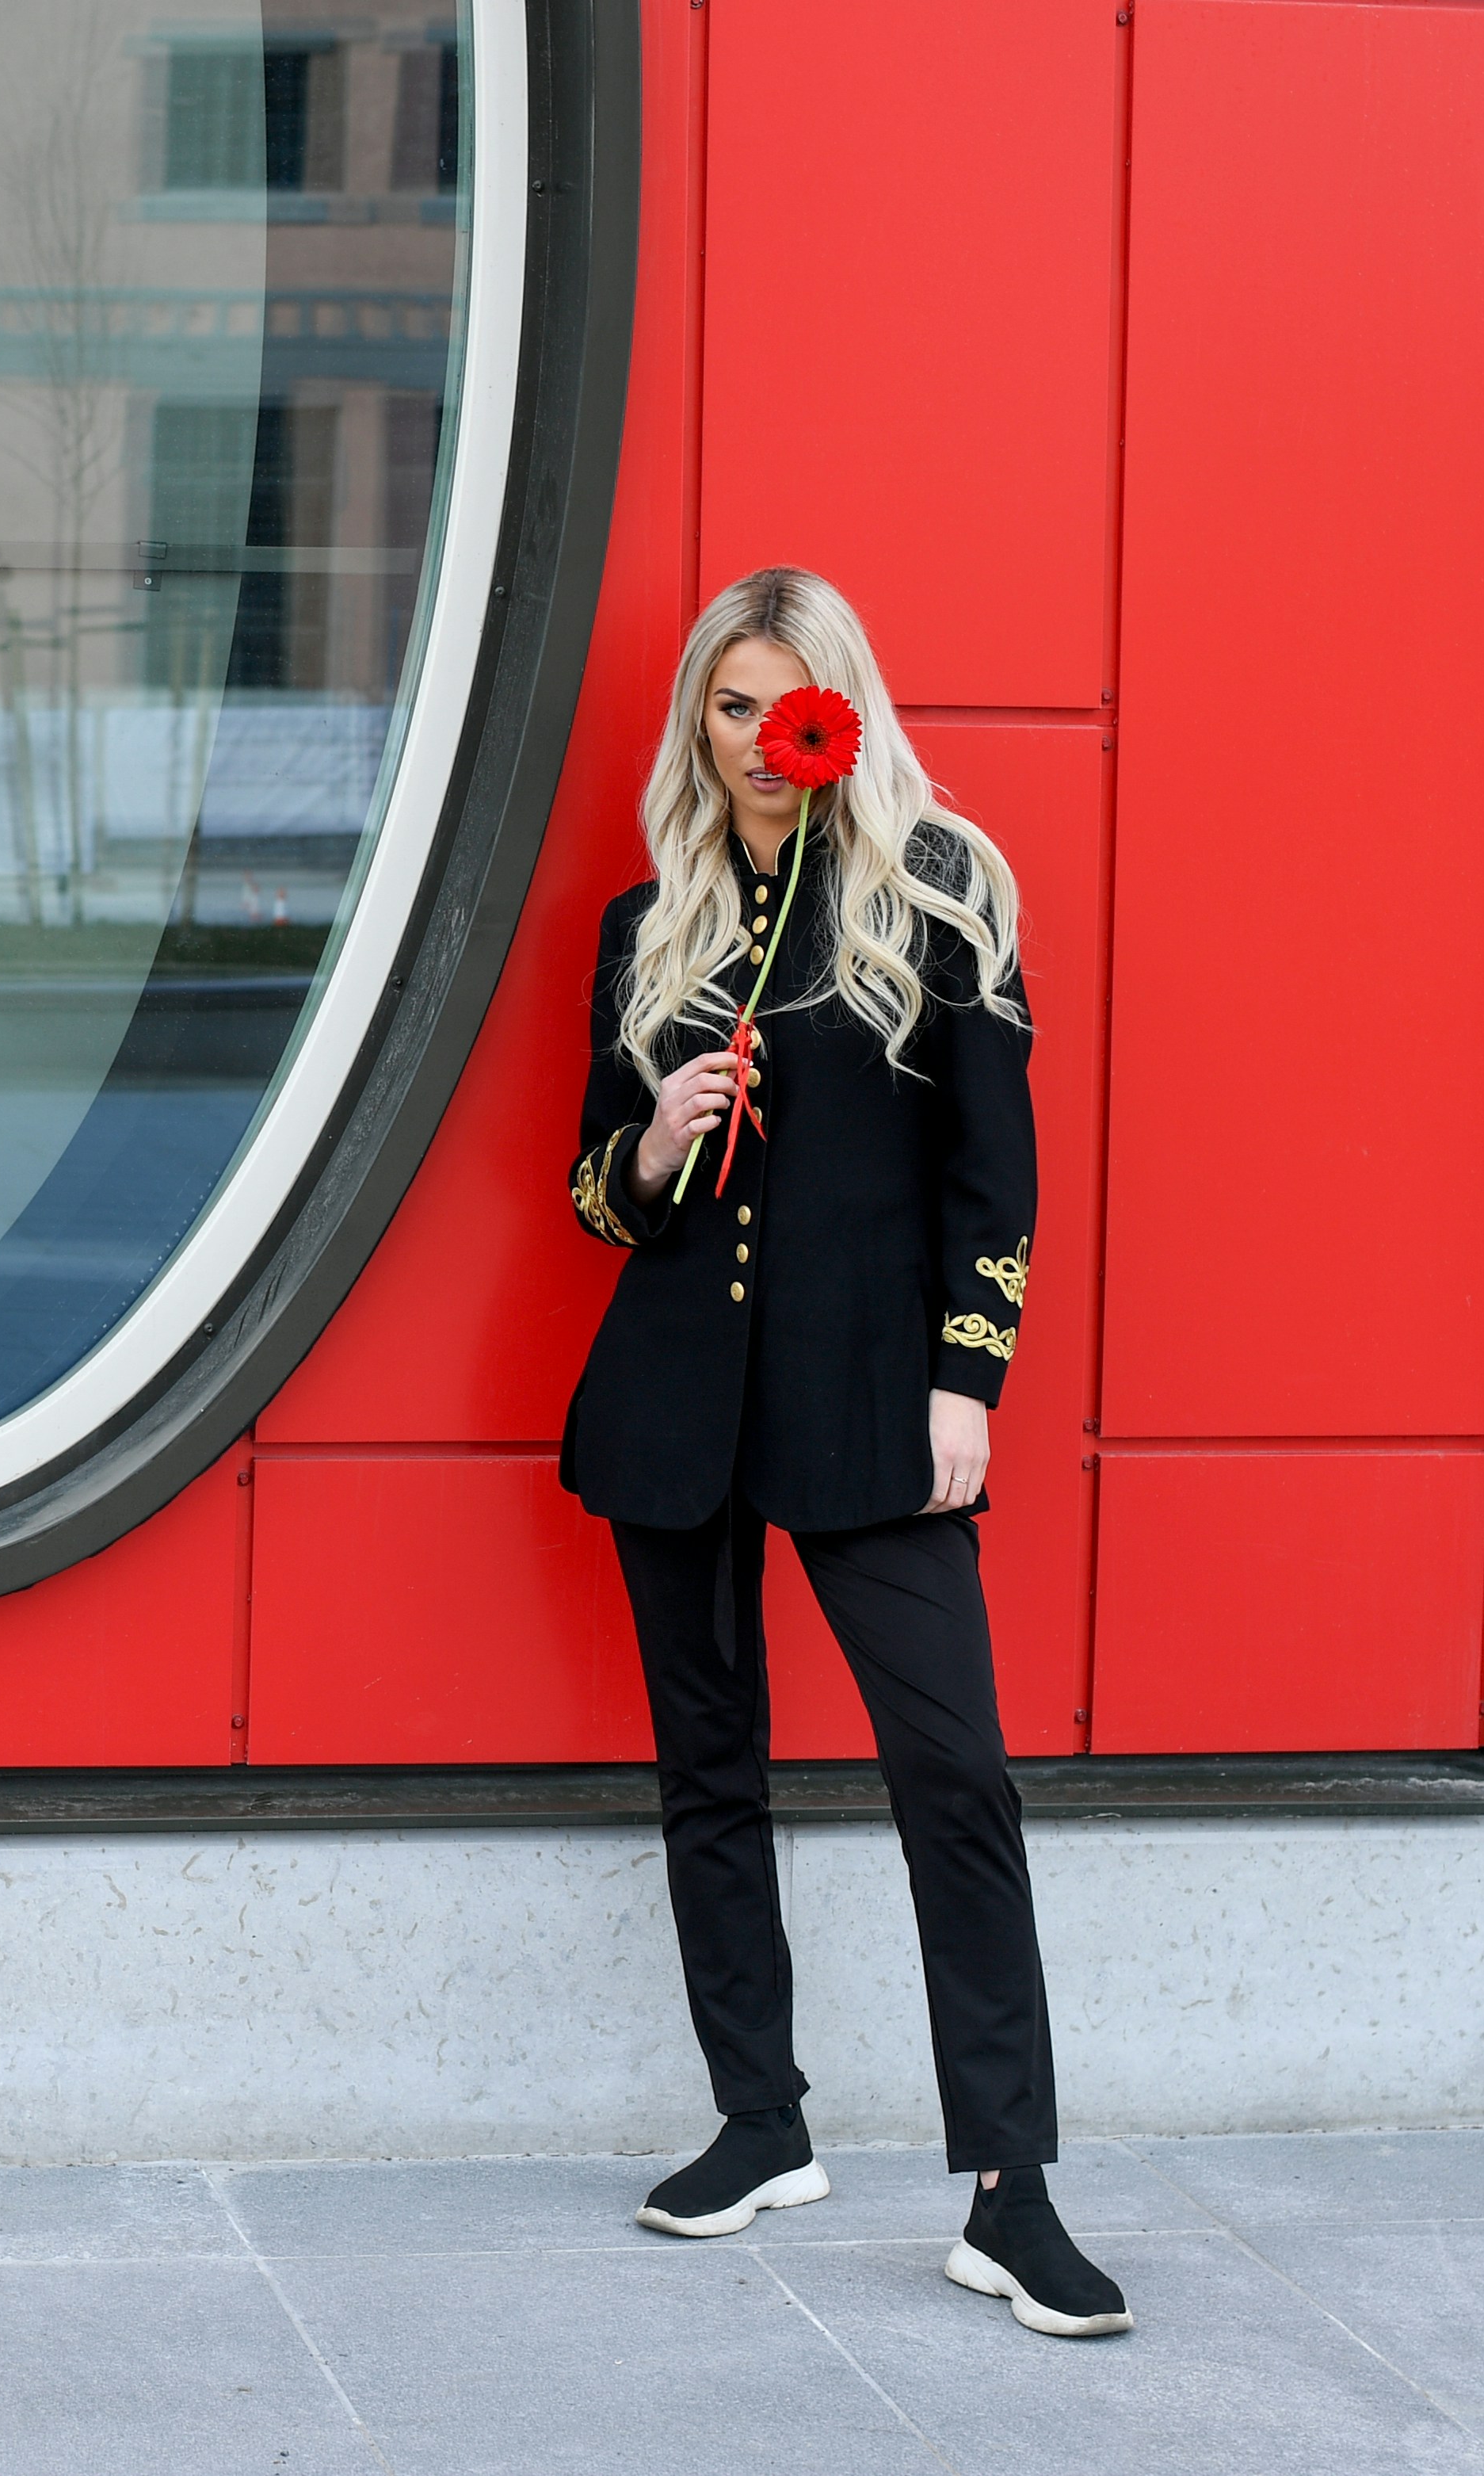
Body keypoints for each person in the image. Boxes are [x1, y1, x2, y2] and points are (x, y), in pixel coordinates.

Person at [560, 567, 1129, 2340]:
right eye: (728, 706)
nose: (757, 741)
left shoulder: (942, 892)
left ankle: (1010, 2189)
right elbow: (595, 1200)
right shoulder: (647, 922)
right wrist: (652, 1140)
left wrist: (972, 1377)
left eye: (788, 704)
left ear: (847, 711)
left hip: (876, 1399)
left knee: (954, 1769)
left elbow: (997, 1172)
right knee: (707, 1764)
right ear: (699, 723)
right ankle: (761, 2118)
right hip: (676, 1405)